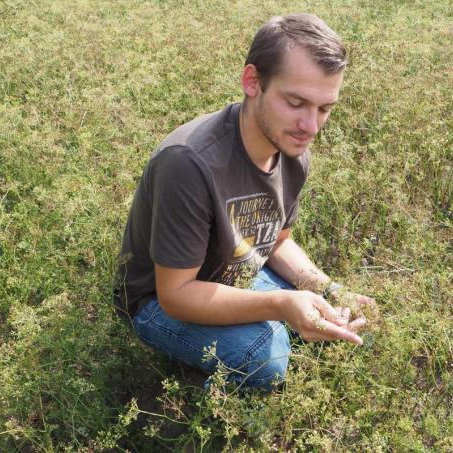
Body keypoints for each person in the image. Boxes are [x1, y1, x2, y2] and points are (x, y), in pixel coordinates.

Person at [114, 13, 377, 392]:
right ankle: (190, 395)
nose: (311, 126)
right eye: (296, 102)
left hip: (233, 272)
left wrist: (328, 290)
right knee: (267, 359)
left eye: (324, 108)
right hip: (157, 300)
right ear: (252, 81)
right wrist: (281, 305)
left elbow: (278, 241)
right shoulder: (188, 163)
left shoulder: (292, 149)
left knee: (333, 322)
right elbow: (176, 296)